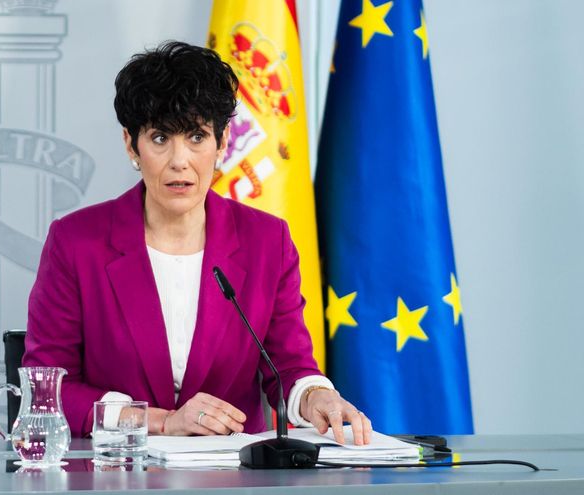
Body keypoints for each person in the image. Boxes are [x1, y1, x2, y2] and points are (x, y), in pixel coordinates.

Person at [23, 41, 372, 445]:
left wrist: (317, 397)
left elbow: (289, 368)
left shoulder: (266, 242)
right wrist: (157, 420)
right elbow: (47, 390)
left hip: (231, 478)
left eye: (196, 136)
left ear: (222, 142)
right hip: (116, 474)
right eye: (158, 138)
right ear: (130, 144)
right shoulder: (76, 243)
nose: (179, 160)